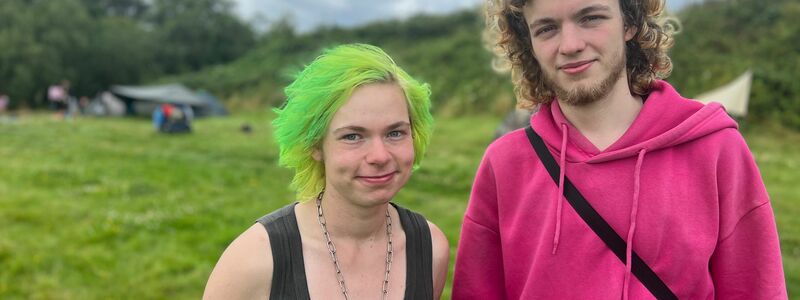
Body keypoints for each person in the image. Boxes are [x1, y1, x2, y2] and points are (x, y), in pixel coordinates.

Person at [453, 0, 787, 299]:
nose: (570, 45)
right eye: (547, 29)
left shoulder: (716, 150)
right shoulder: (504, 165)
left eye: (591, 18)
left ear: (629, 22)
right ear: (529, 42)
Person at [204, 44, 450, 299]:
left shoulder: (430, 250)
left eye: (395, 133)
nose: (380, 156)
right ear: (314, 146)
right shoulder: (253, 262)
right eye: (353, 136)